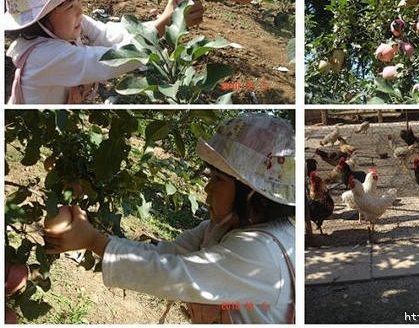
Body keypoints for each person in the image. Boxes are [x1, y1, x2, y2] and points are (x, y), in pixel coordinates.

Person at [44, 113, 295, 324]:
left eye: (218, 179)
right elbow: (168, 253)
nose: (207, 188)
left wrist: (93, 241)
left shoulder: (258, 253)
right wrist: (97, 239)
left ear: (252, 193)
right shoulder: (222, 228)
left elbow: (171, 274)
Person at [3, 0, 204, 104]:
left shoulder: (72, 24)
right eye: (69, 6)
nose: (80, 10)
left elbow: (111, 35)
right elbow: (108, 62)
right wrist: (166, 23)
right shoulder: (44, 57)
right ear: (39, 20)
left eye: (78, 1)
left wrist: (165, 20)